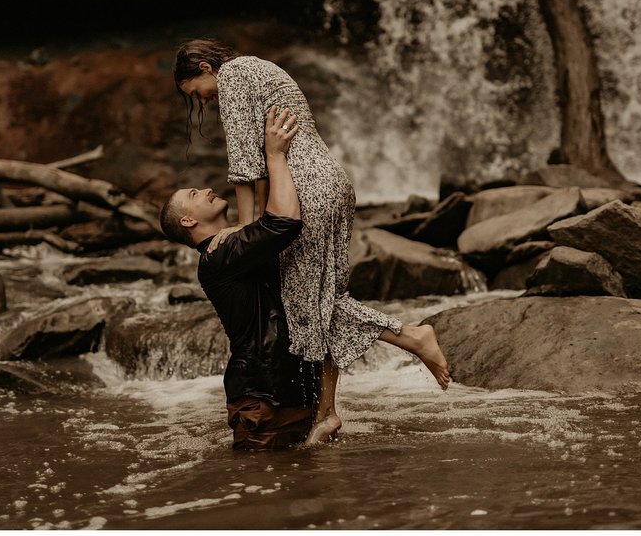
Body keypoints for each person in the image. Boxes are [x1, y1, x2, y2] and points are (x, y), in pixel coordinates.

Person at [173, 39, 450, 445]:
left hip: (303, 190)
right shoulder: (260, 68)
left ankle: (410, 338)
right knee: (322, 298)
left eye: (195, 91)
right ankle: (328, 413)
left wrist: (248, 231)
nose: (202, 99)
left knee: (310, 303)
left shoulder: (231, 76)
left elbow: (247, 165)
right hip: (331, 182)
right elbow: (260, 162)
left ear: (203, 67)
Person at [159, 106, 319, 450]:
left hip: (288, 392)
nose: (204, 190)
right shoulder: (219, 255)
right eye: (193, 195)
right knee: (254, 492)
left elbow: (265, 220)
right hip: (262, 397)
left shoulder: (233, 245)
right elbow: (283, 222)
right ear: (188, 222)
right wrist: (275, 154)